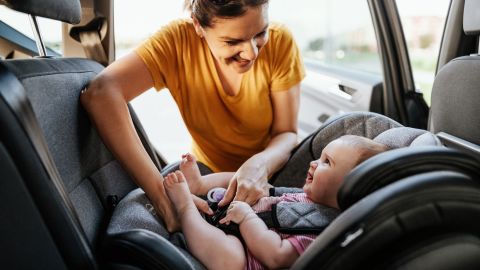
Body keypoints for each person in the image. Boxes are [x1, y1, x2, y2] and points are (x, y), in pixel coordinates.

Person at [80, 0, 304, 232]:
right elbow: (100, 94)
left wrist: (259, 165)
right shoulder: (177, 42)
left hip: (272, 171)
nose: (252, 52)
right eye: (232, 41)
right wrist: (163, 201)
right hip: (209, 175)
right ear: (198, 26)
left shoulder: (281, 42)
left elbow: (286, 133)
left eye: (260, 33)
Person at [164, 135, 388, 270]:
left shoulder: (322, 234)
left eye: (326, 163)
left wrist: (247, 218)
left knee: (230, 261)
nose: (312, 163)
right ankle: (199, 185)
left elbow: (275, 255)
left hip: (247, 256)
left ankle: (184, 208)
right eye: (319, 157)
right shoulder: (307, 197)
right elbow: (272, 197)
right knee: (246, 180)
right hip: (234, 214)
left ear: (349, 189)